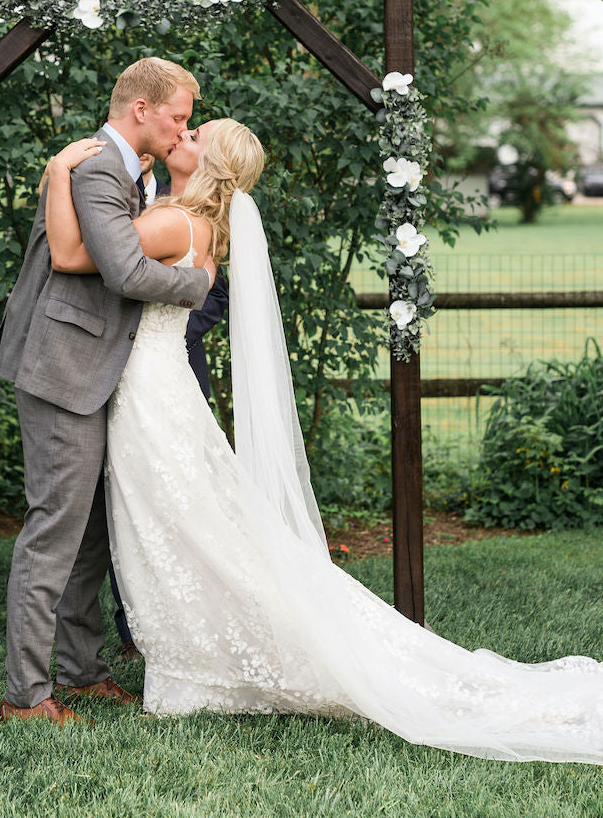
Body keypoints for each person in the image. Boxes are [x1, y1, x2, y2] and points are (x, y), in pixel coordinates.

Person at [46, 118, 603, 764]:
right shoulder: (191, 218)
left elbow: (77, 254)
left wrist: (59, 174)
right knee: (179, 527)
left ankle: (197, 661)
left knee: (178, 527)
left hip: (149, 393)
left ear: (211, 161)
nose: (186, 131)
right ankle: (191, 657)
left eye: (198, 131)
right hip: (156, 389)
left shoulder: (174, 224)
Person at [0, 57, 216, 727]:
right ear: (140, 109)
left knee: (87, 536)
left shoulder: (132, 173)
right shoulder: (93, 168)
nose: (183, 128)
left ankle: (82, 673)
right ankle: (25, 697)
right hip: (63, 368)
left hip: (96, 368)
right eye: (177, 115)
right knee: (54, 532)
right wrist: (200, 284)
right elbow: (120, 268)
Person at [109, 137, 229, 659]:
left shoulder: (209, 223)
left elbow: (212, 295)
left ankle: (156, 632)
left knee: (173, 500)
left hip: (164, 366)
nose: (182, 135)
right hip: (118, 368)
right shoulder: (140, 191)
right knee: (128, 499)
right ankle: (137, 622)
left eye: (194, 133)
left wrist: (162, 342)